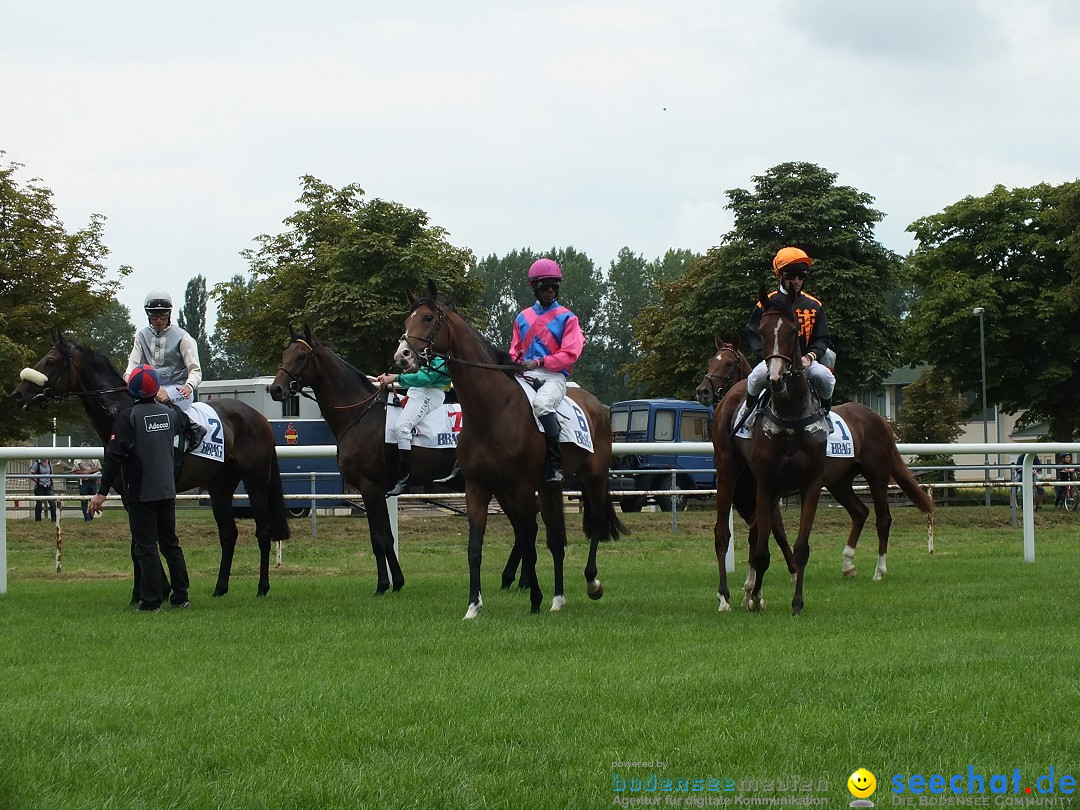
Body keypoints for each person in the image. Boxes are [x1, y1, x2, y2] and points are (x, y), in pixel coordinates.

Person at [89, 365, 192, 611]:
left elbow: (114, 457)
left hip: (140, 493)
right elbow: (185, 421)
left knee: (145, 547)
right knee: (170, 545)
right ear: (156, 389)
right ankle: (180, 596)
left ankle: (151, 601)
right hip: (167, 490)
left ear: (131, 390)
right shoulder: (169, 413)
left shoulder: (127, 417)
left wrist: (101, 493)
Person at [508, 258, 585, 484]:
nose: (550, 290)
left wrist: (539, 362)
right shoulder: (522, 317)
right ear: (535, 288)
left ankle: (555, 464)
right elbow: (514, 350)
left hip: (554, 376)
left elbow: (570, 353)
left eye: (554, 286)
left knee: (542, 404)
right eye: (545, 286)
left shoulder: (568, 318)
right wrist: (514, 364)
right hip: (525, 374)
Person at [746, 246, 835, 411]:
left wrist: (809, 357)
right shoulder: (765, 304)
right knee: (755, 378)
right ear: (779, 276)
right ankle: (748, 415)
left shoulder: (814, 306)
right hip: (772, 362)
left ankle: (825, 415)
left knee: (827, 378)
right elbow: (754, 335)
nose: (797, 280)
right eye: (791, 275)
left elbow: (822, 339)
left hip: (805, 363)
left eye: (801, 276)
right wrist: (769, 358)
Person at [377, 355, 452, 497]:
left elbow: (424, 379)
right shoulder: (429, 355)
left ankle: (403, 482)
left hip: (430, 394)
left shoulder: (441, 357)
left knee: (402, 428)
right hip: (418, 392)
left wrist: (396, 378)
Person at [125, 289, 203, 412]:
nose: (159, 320)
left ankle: (192, 428)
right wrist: (128, 381)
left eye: (163, 314)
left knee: (158, 400)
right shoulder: (141, 336)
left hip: (179, 390)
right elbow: (132, 366)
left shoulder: (183, 337)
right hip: (150, 388)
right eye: (154, 315)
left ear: (169, 314)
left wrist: (189, 386)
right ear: (148, 315)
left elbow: (195, 369)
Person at [74, 443, 102, 521]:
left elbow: (98, 468)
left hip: (93, 481)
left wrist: (88, 472)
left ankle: (91, 516)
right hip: (83, 482)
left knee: (93, 499)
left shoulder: (95, 458)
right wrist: (84, 473)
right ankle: (86, 518)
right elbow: (75, 470)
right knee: (84, 500)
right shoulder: (77, 459)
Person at [29, 457, 57, 522]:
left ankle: (54, 519)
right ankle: (38, 520)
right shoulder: (37, 464)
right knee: (39, 503)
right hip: (40, 486)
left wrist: (52, 484)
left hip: (48, 485)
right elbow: (30, 474)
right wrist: (37, 481)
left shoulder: (49, 463)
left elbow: (51, 474)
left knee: (52, 502)